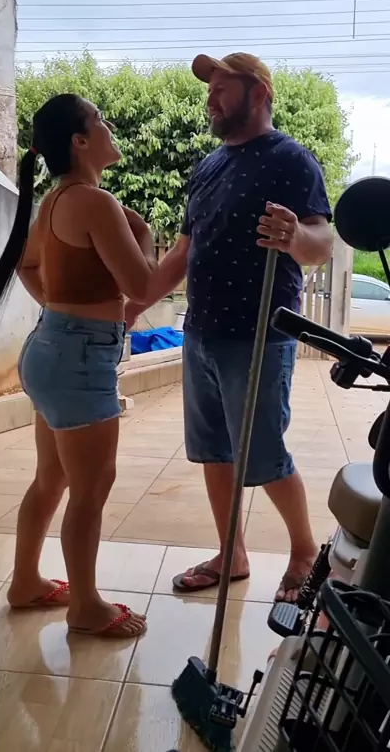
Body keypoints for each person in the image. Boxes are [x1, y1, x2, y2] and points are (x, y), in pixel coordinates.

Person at [125, 52, 333, 603]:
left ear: (258, 92)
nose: (210, 99)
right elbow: (182, 252)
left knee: (262, 453)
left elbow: (321, 242)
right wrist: (135, 303)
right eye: (209, 90)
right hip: (201, 332)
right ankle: (231, 553)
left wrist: (296, 236)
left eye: (222, 88)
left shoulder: (292, 160)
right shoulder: (208, 166)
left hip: (259, 335)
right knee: (213, 450)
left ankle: (304, 552)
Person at [0, 93, 156, 638]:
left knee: (51, 479)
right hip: (77, 359)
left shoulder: (56, 201)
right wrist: (146, 237)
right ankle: (86, 607)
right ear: (80, 141)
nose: (108, 124)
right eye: (99, 119)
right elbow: (142, 286)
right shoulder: (94, 202)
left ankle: (26, 582)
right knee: (91, 487)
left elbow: (27, 264)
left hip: (51, 348)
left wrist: (60, 308)